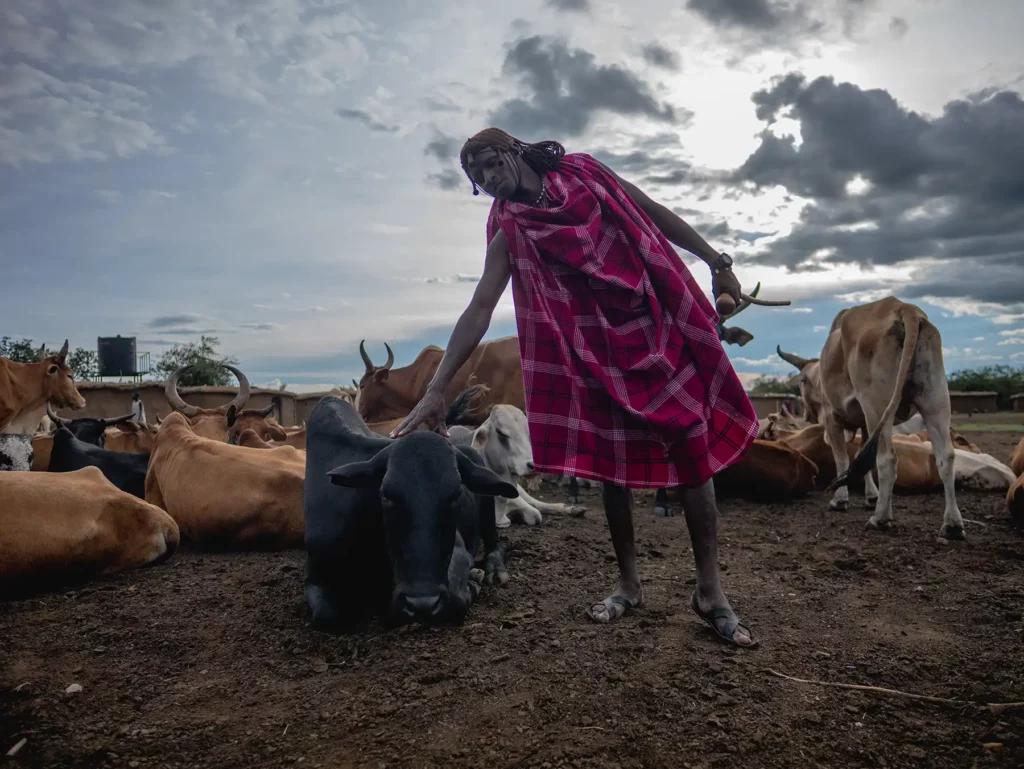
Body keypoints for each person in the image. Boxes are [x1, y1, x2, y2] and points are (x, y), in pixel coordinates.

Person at [391, 128, 760, 647]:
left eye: (494, 165)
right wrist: (436, 388)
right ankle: (628, 585)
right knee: (612, 468)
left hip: (649, 328)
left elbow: (650, 209)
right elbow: (480, 307)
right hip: (590, 351)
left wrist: (717, 263)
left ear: (516, 151)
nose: (491, 180)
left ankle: (710, 591)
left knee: (692, 452)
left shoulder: (586, 174)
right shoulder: (510, 229)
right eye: (478, 178)